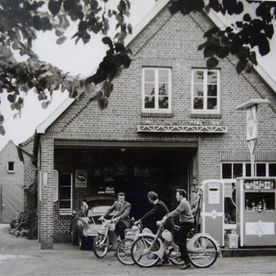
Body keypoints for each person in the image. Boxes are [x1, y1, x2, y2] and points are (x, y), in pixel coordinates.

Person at [161, 188, 195, 270]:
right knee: (176, 237)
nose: (176, 196)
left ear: (181, 195)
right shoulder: (183, 202)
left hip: (188, 224)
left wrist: (166, 216)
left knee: (181, 242)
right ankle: (181, 254)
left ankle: (187, 262)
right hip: (184, 223)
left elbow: (176, 212)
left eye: (177, 195)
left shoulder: (183, 203)